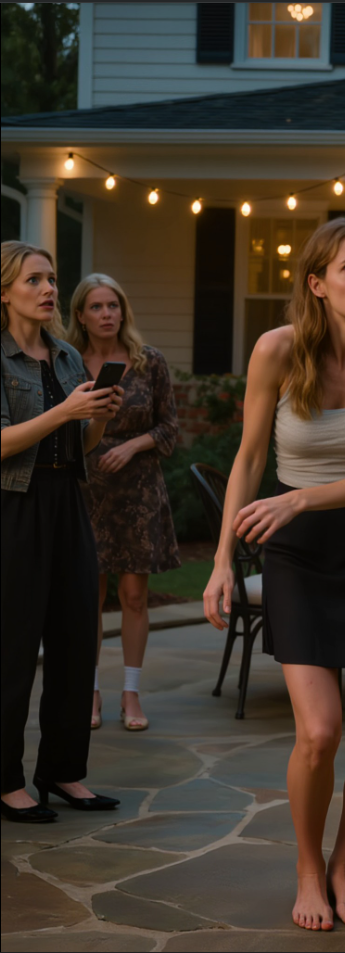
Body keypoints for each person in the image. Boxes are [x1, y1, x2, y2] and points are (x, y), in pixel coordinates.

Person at [203, 218, 345, 930]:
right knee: (320, 733)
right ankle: (309, 865)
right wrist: (219, 563)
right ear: (316, 284)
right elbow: (246, 461)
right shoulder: (276, 349)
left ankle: (343, 860)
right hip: (298, 555)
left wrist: (300, 495)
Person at [1, 241, 122, 823]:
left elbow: (86, 447)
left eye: (52, 279)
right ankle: (4, 780)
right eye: (35, 280)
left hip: (66, 500)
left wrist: (96, 417)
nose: (50, 289)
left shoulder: (68, 356)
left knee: (78, 641)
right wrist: (62, 413)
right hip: (12, 507)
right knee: (13, 647)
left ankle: (63, 771)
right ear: (4, 291)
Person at [65, 274, 180, 732]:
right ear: (80, 316)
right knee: (86, 598)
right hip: (86, 492)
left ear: (123, 310)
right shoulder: (67, 363)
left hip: (138, 494)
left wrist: (131, 446)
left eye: (113, 305)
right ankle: (89, 691)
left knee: (134, 596)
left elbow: (170, 429)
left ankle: (130, 694)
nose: (107, 314)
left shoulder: (148, 362)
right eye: (96, 307)